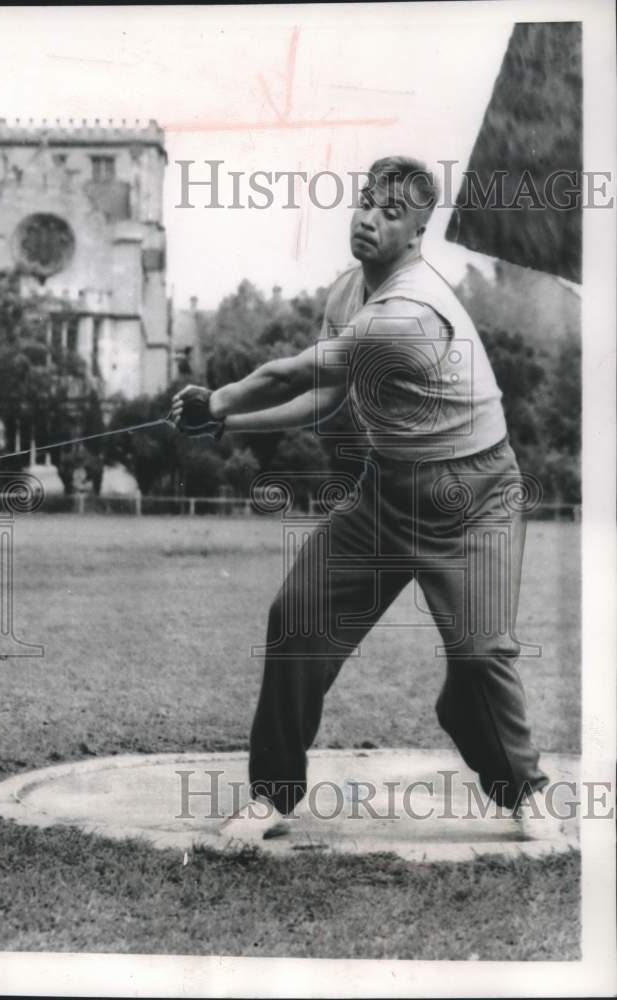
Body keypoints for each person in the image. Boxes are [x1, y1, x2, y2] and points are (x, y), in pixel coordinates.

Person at [171, 156, 560, 844]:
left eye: (388, 212)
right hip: (387, 493)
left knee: (478, 656)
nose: (367, 217)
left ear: (415, 235)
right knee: (296, 616)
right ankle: (272, 794)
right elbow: (323, 399)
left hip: (474, 499)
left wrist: (217, 400)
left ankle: (521, 789)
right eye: (364, 201)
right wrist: (225, 423)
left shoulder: (407, 310)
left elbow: (288, 372)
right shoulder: (349, 293)